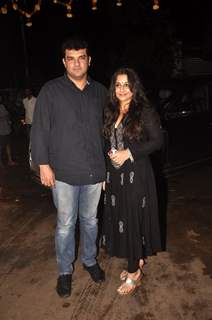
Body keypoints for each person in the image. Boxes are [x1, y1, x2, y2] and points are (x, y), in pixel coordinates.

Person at [31, 37, 107, 298]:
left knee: (91, 221)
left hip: (94, 171)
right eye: (71, 58)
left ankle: (89, 260)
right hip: (62, 173)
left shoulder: (100, 91)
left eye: (81, 57)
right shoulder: (50, 91)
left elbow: (108, 132)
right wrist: (43, 164)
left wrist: (107, 169)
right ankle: (65, 271)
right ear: (64, 62)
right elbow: (39, 129)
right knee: (65, 224)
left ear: (89, 60)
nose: (77, 63)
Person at [102, 68, 163, 295]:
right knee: (123, 220)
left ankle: (134, 273)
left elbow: (158, 141)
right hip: (116, 177)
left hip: (137, 175)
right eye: (118, 85)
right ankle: (136, 260)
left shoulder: (143, 110)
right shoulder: (112, 110)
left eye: (126, 85)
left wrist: (129, 152)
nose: (122, 89)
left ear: (134, 87)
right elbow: (108, 143)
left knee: (132, 220)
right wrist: (105, 171)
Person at [0, 96, 16, 168]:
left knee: (8, 145)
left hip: (6, 129)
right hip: (1, 131)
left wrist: (9, 120)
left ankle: (10, 160)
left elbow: (7, 115)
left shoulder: (2, 106)